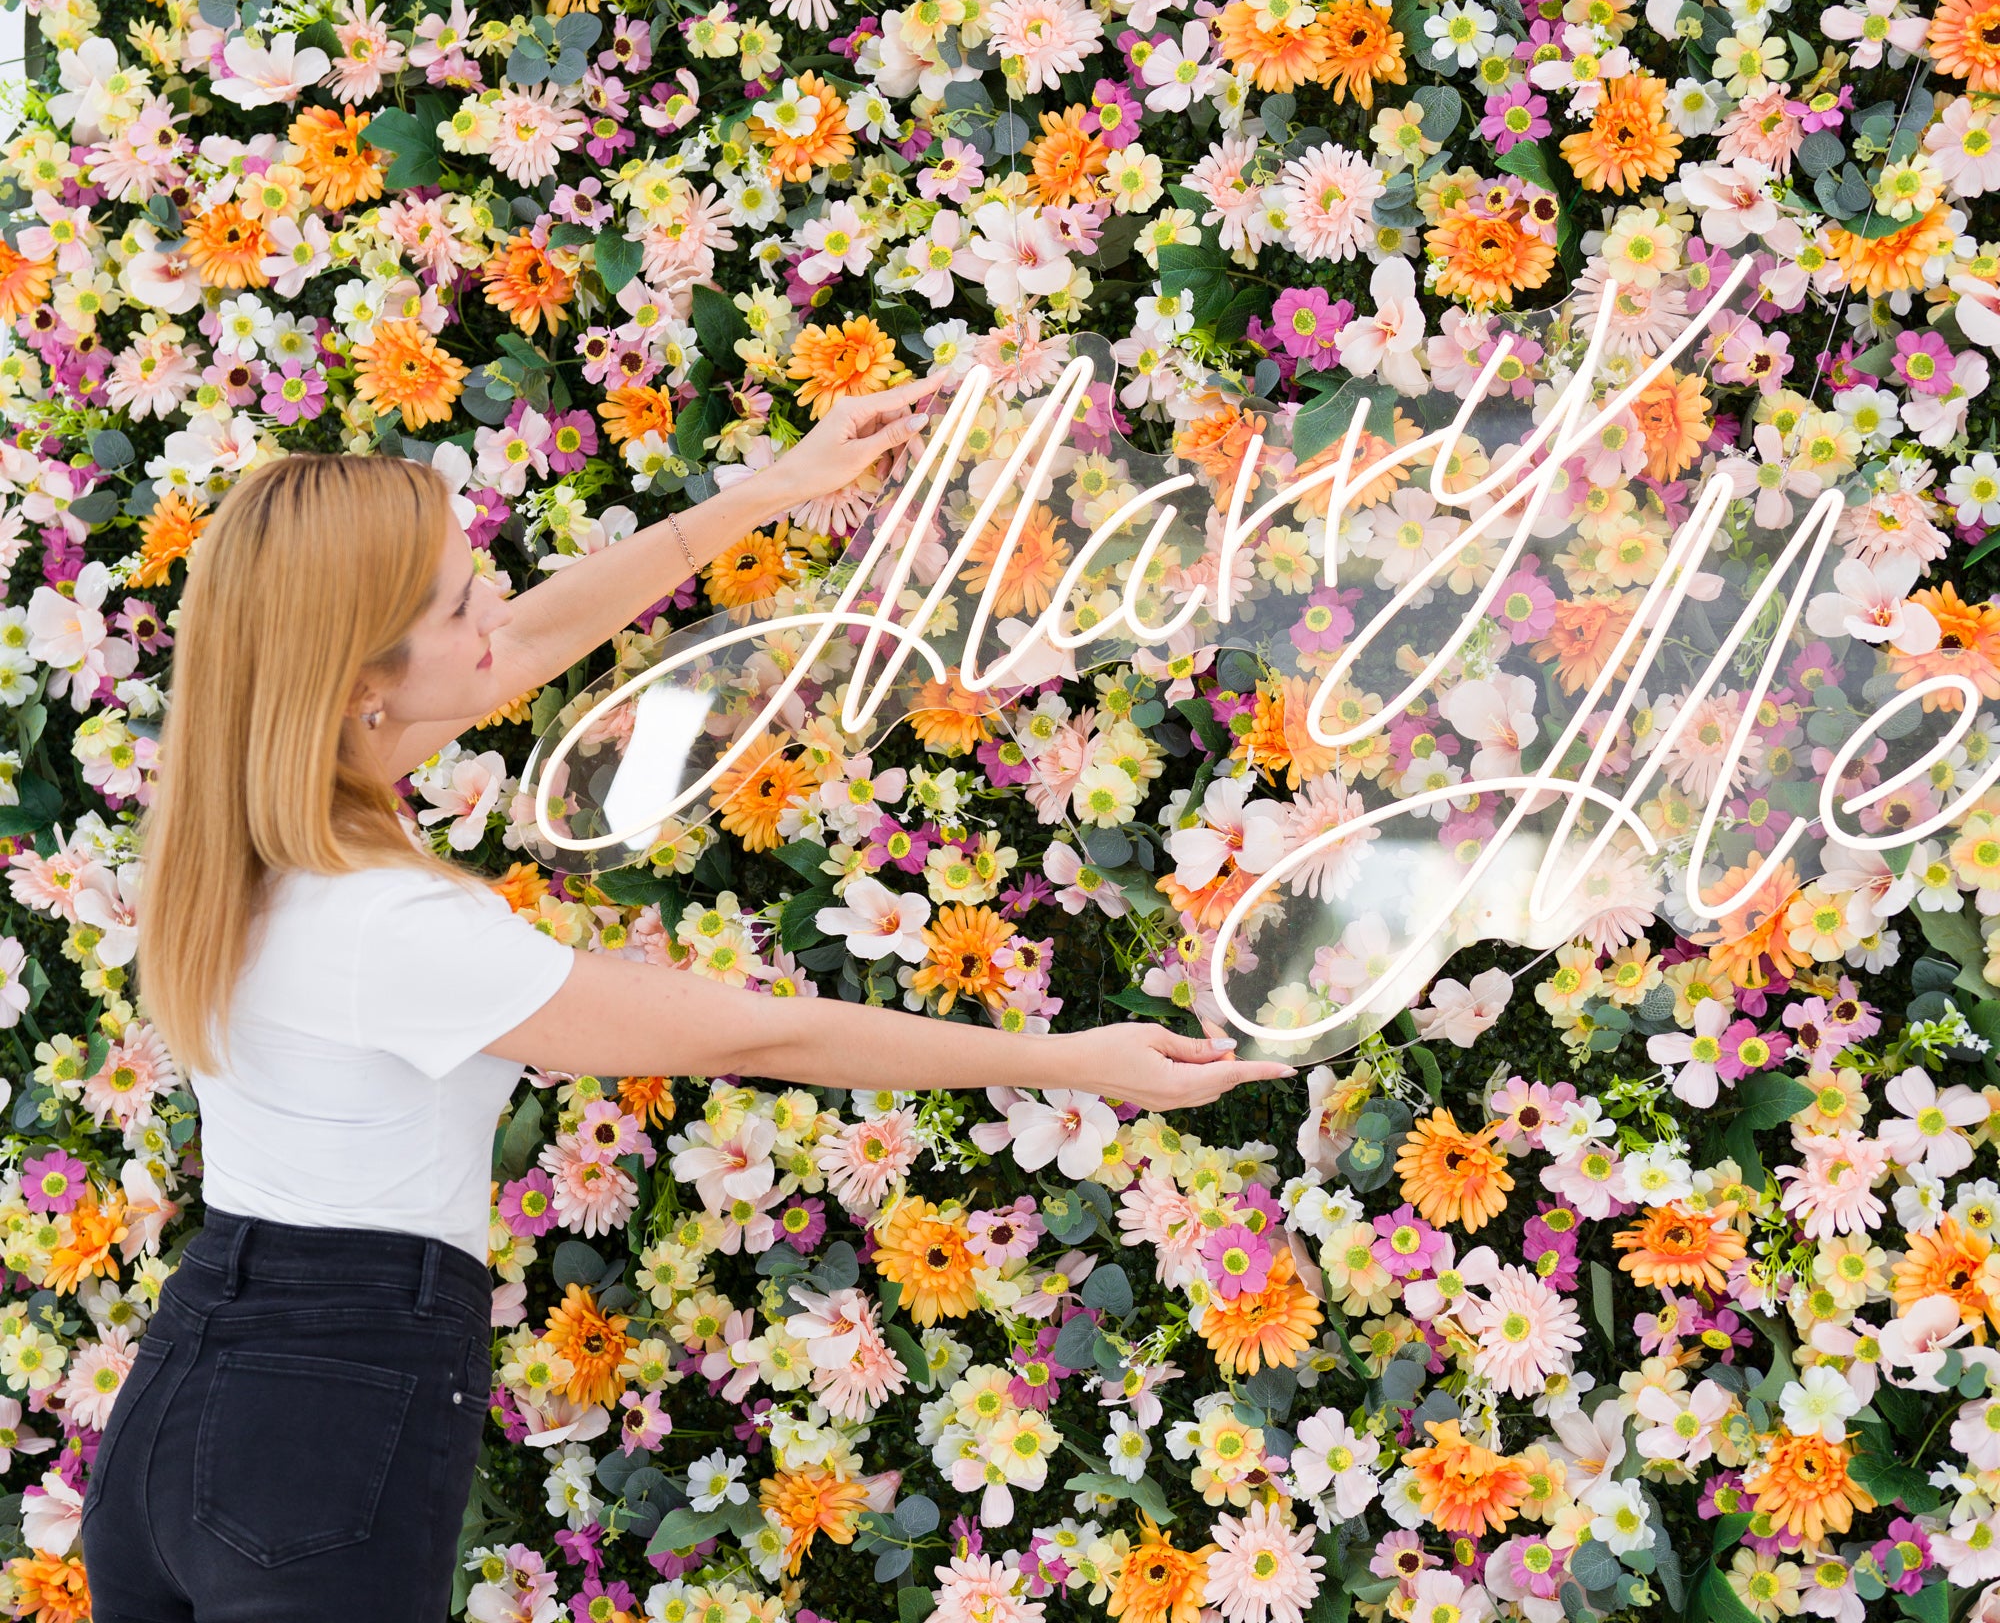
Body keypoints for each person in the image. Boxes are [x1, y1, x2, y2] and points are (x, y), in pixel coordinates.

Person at [80, 374, 1289, 1621]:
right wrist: (1083, 1057)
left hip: (189, 1401)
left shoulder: (247, 829)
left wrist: (767, 490)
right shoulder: (394, 926)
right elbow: (766, 1029)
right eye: (458, 600)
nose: (495, 604)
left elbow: (527, 643)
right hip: (319, 1427)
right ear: (358, 684)